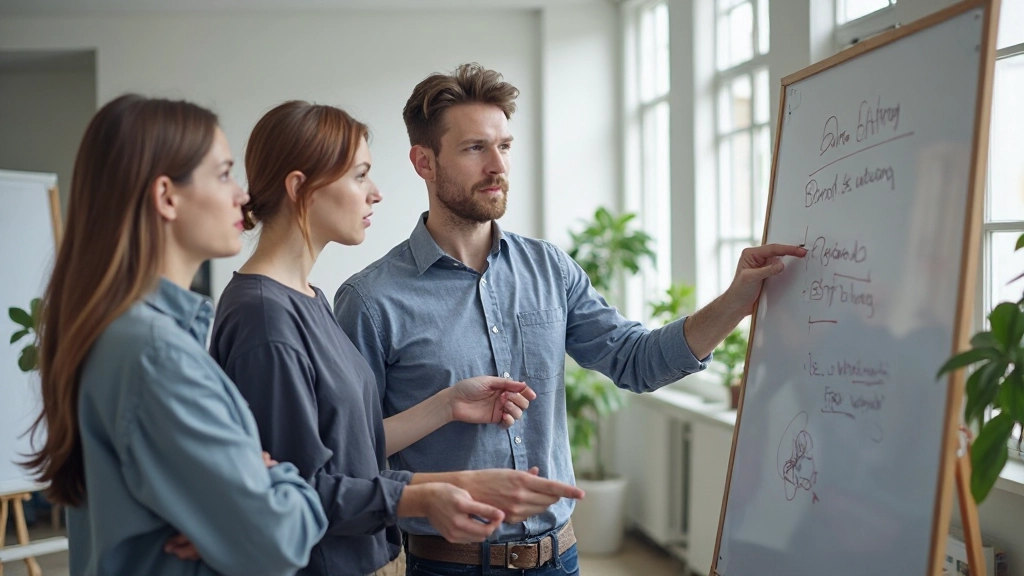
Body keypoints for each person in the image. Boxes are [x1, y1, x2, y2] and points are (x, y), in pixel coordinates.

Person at [333, 63, 808, 575]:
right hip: (451, 565)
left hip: (560, 559)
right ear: (423, 162)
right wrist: (445, 408)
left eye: (505, 146)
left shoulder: (550, 268)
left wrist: (737, 299)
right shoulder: (371, 299)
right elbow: (352, 451)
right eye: (475, 148)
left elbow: (637, 361)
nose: (498, 166)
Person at [208, 101, 585, 576]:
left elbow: (347, 449)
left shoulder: (306, 298)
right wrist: (434, 493)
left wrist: (447, 405)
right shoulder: (264, 319)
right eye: (360, 175)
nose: (376, 193)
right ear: (300, 188)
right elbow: (295, 490)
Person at [23, 94, 328, 576]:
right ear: (166, 197)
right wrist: (279, 479)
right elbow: (277, 541)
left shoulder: (121, 334)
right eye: (224, 173)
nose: (242, 196)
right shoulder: (156, 356)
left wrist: (251, 490)